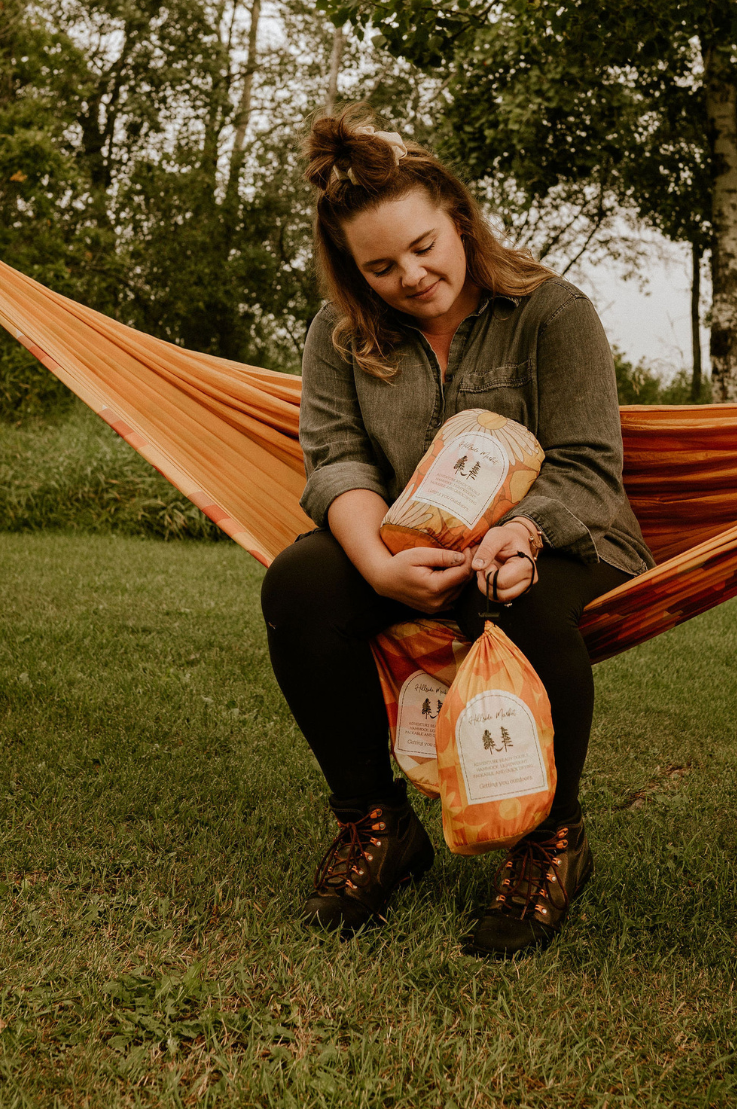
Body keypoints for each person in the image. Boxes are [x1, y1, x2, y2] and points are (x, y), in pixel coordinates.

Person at [261, 106, 653, 956]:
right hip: (412, 542)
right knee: (300, 583)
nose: (410, 275)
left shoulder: (553, 313)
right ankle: (377, 825)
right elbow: (337, 460)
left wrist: (516, 538)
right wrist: (374, 563)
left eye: (424, 247)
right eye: (381, 265)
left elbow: (588, 470)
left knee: (521, 598)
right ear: (353, 271)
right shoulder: (337, 336)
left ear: (458, 218)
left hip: (566, 540)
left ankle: (552, 840)